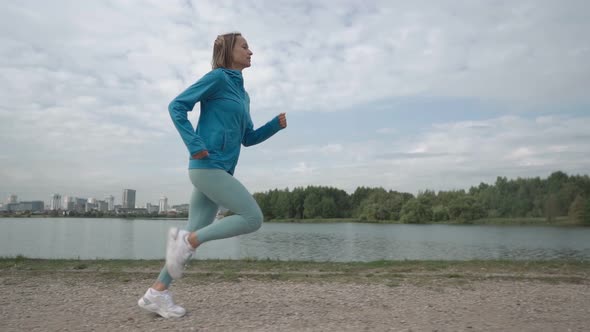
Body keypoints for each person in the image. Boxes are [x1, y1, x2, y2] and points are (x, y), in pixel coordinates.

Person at [138, 32, 287, 318]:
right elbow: (177, 106)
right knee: (252, 218)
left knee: (191, 233)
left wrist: (274, 126)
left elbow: (248, 137)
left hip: (219, 170)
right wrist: (195, 145)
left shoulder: (243, 95)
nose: (250, 51)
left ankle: (156, 293)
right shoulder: (217, 78)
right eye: (244, 46)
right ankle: (189, 241)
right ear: (229, 51)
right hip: (207, 166)